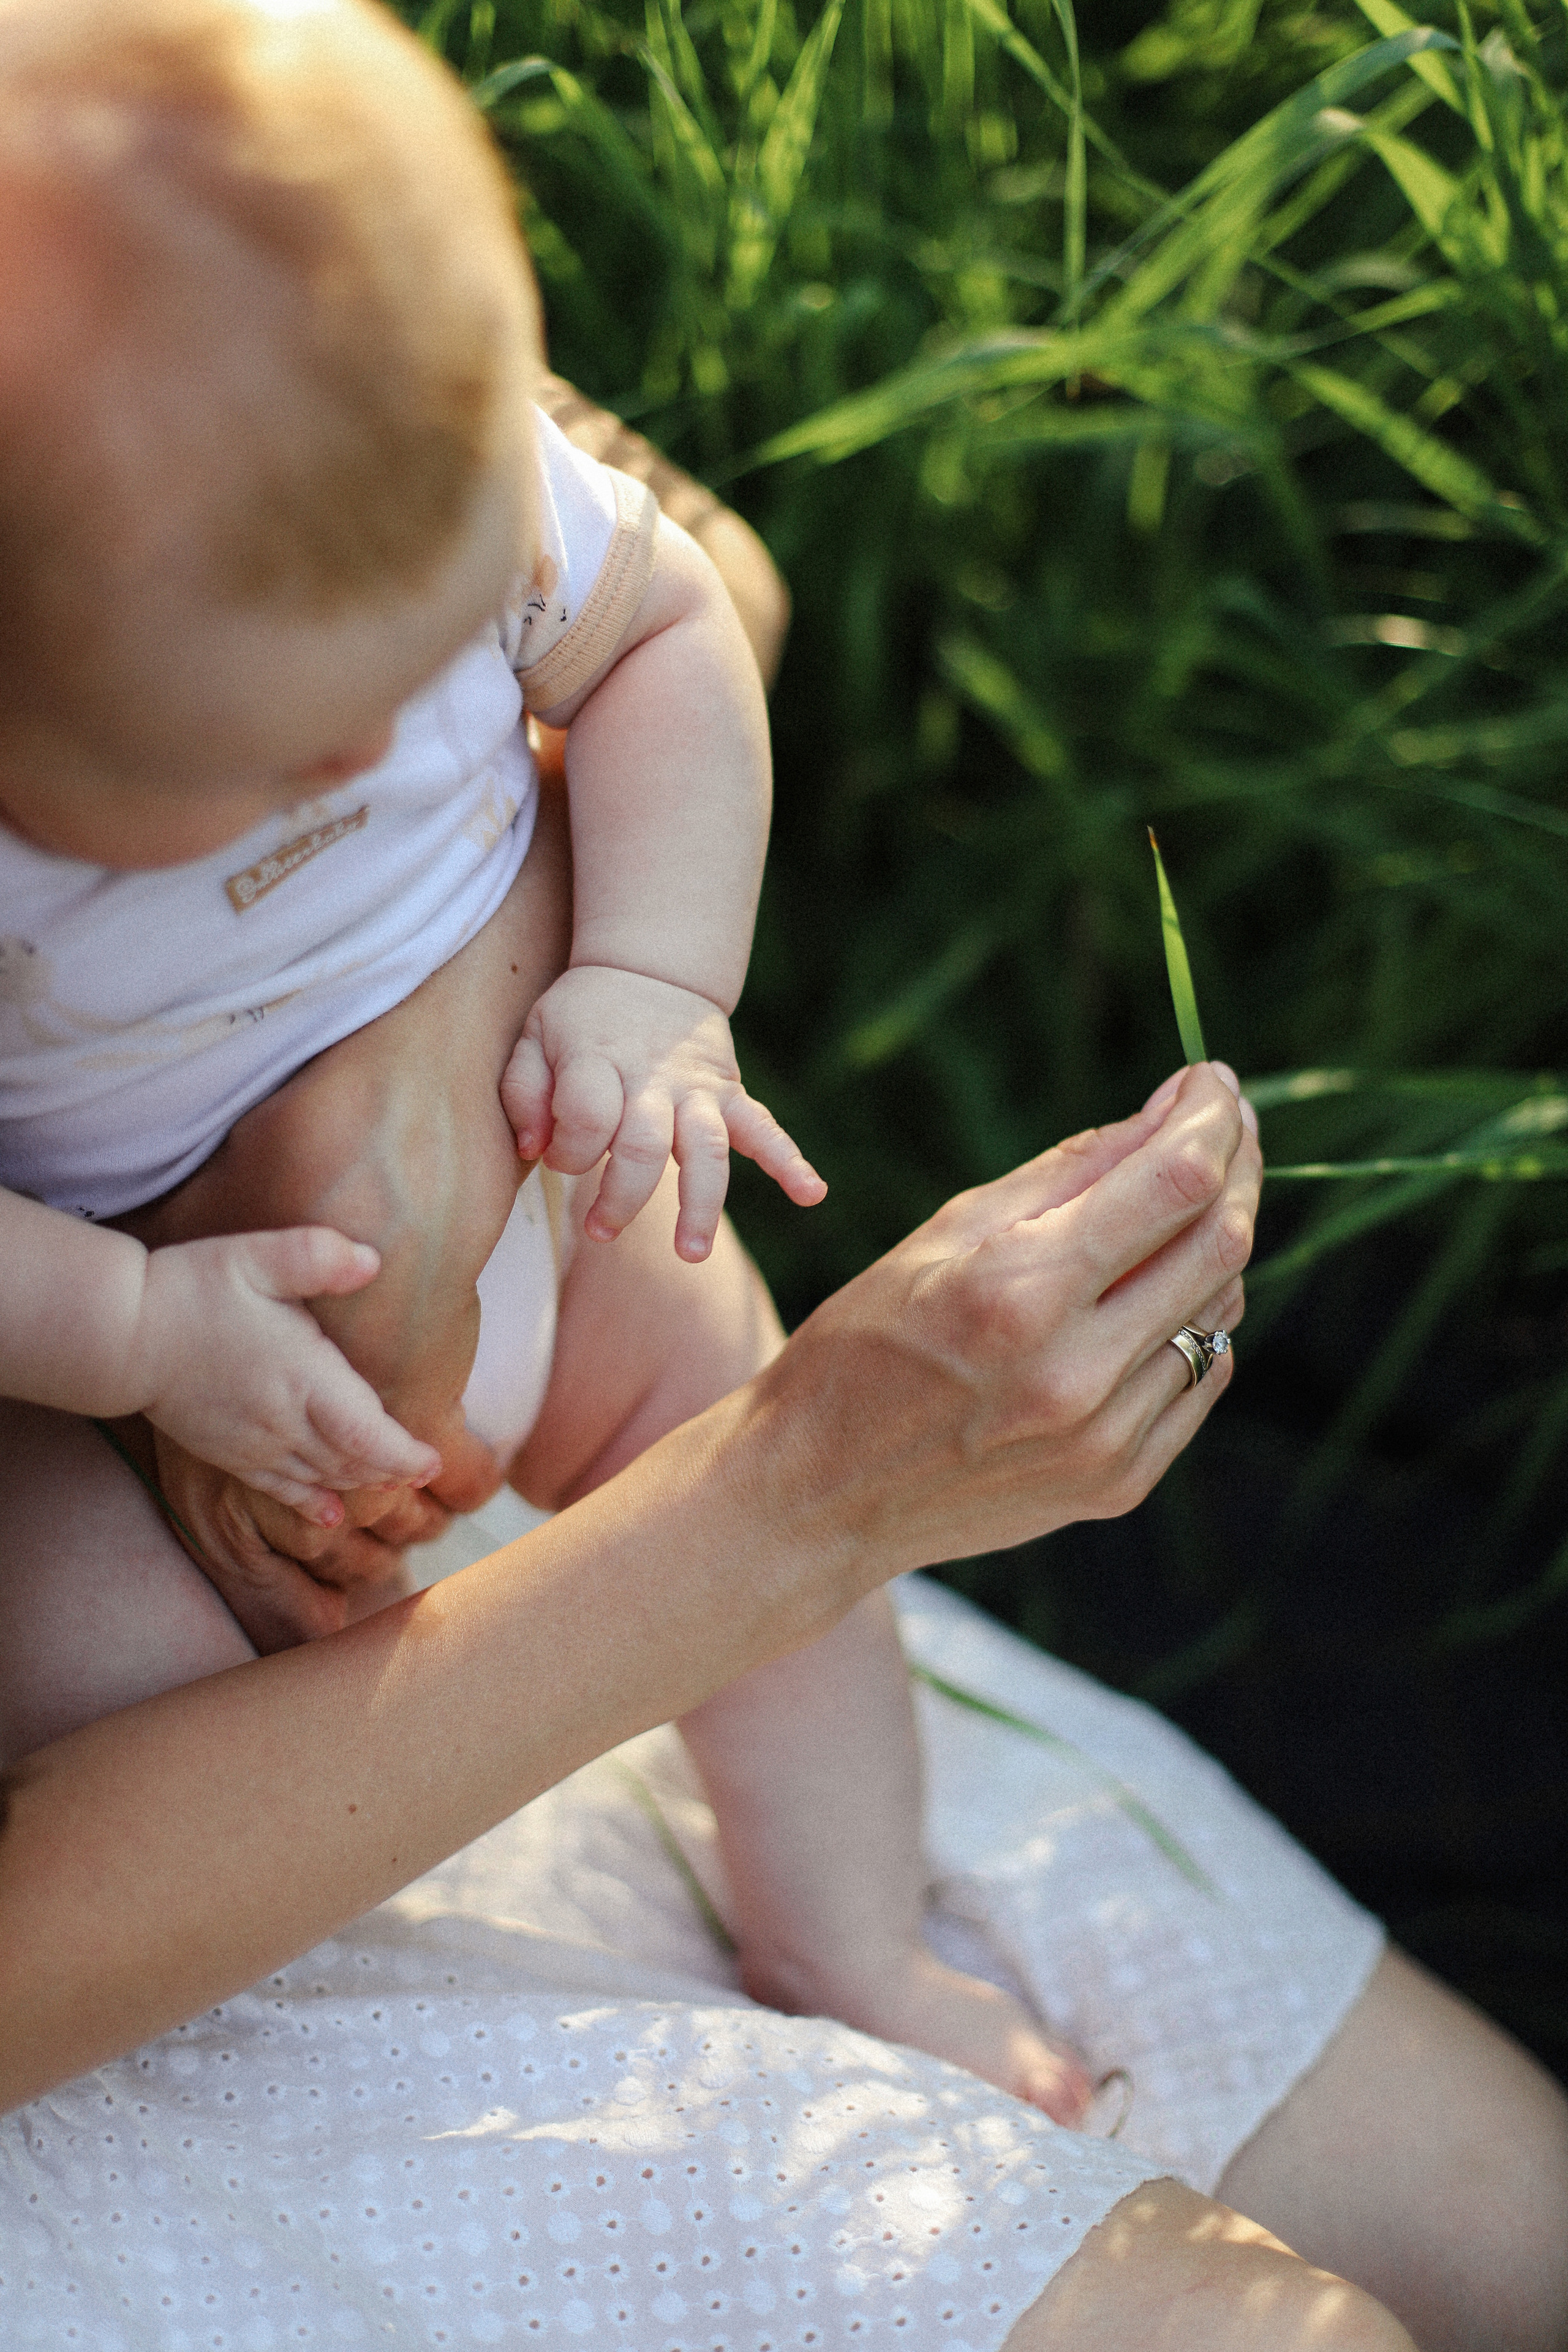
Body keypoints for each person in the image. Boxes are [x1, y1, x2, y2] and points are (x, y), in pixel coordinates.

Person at [0, 0, 1114, 2132]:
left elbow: (679, 620)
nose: (357, 755)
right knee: (92, 1686)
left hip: (529, 1152)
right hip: (103, 1314)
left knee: (731, 1408)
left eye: (417, 662)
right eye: (242, 754)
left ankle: (846, 1928)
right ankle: (332, 2010)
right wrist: (135, 1334)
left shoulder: (387, 453)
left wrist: (653, 987)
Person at [3, 1057, 1567, 2351]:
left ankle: (848, 1921)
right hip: (95, 1977)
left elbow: (605, 676)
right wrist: (788, 1501)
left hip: (536, 1510)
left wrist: (431, 1025)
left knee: (1521, 2251)